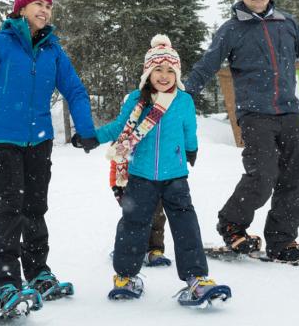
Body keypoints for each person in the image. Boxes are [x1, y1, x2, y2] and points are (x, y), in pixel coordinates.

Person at [0, 0, 99, 314]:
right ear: (22, 9)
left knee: (35, 209)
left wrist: (85, 129)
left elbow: (75, 90)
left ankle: (38, 271)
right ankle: (5, 284)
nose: (44, 10)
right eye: (38, 4)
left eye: (48, 5)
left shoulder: (53, 50)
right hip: (3, 140)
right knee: (9, 209)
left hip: (39, 142)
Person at [184, 0, 299, 262]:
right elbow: (207, 65)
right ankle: (232, 225)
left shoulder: (288, 24)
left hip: (288, 112)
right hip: (254, 114)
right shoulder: (231, 29)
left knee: (296, 178)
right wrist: (186, 96)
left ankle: (282, 240)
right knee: (263, 175)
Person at [74, 34, 230, 305]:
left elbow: (188, 130)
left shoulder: (183, 100)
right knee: (133, 224)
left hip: (176, 176)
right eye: (158, 69)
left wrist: (191, 149)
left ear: (177, 73)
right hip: (141, 175)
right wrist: (92, 137)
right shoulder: (137, 99)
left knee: (185, 224)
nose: (164, 75)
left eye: (170, 70)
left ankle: (197, 278)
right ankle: (125, 277)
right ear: (148, 72)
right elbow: (119, 128)